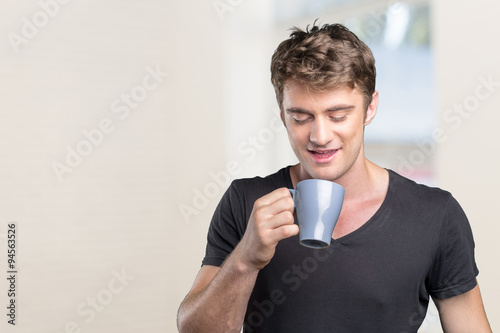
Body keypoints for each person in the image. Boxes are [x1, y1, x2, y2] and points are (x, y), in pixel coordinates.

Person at [177, 22, 491, 332]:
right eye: (301, 117)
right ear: (282, 113)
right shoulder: (245, 201)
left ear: (370, 108)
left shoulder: (435, 215)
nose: (320, 136)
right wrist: (245, 259)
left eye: (338, 115)